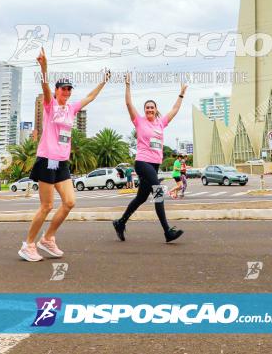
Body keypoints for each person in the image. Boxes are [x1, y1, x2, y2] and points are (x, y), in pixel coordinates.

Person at [19, 48, 110, 262]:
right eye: (64, 89)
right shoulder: (50, 106)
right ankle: (28, 244)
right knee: (47, 206)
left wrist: (103, 82)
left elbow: (90, 97)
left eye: (69, 90)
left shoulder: (71, 109)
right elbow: (45, 86)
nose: (67, 92)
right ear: (57, 90)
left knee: (69, 202)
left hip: (62, 163)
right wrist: (44, 68)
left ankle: (48, 238)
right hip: (47, 160)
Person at [113, 74, 187, 242]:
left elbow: (174, 110)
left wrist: (181, 94)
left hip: (154, 165)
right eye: (147, 108)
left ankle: (120, 222)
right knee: (158, 191)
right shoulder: (139, 121)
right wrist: (127, 85)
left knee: (141, 197)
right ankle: (167, 231)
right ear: (144, 110)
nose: (149, 110)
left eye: (152, 107)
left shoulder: (161, 123)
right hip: (142, 162)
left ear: (156, 109)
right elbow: (128, 104)